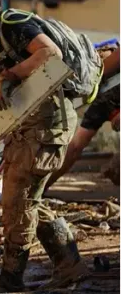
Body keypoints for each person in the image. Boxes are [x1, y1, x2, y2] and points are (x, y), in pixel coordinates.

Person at [0, 0, 88, 293]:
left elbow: (50, 53)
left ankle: (11, 277)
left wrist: (13, 73)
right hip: (25, 131)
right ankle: (69, 264)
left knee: (19, 201)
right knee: (25, 200)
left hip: (46, 126)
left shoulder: (13, 23)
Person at [47, 46, 120, 188]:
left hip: (104, 84)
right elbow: (76, 146)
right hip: (103, 90)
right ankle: (41, 187)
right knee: (77, 144)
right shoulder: (102, 100)